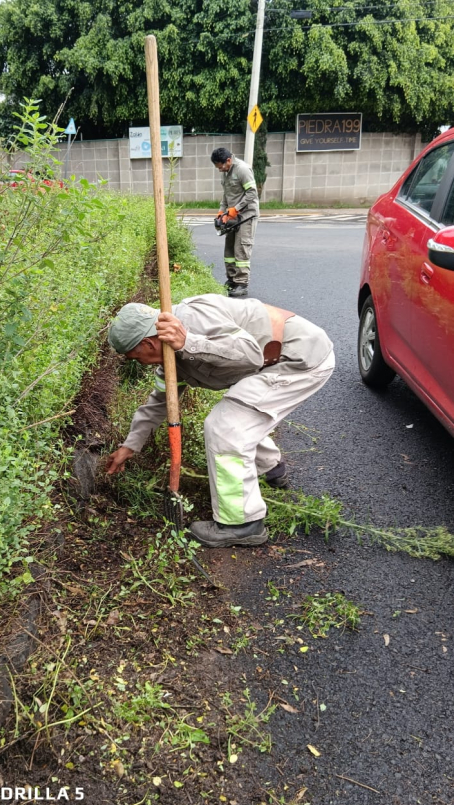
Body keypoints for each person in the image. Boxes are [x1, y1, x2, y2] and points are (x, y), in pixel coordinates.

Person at [105, 295, 334, 548]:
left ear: (148, 343)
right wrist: (130, 445)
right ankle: (272, 469)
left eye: (136, 358)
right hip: (269, 365)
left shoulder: (192, 320)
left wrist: (188, 343)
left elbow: (250, 354)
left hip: (298, 359)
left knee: (226, 426)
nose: (141, 363)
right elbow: (159, 403)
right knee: (240, 415)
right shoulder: (170, 361)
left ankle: (242, 524)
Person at [211, 147, 259, 299]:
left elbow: (252, 193)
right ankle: (232, 279)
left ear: (228, 161)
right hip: (232, 215)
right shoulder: (226, 173)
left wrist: (236, 209)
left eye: (221, 166)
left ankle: (241, 283)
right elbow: (226, 195)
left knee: (241, 248)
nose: (220, 170)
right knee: (229, 249)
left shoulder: (242, 170)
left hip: (246, 215)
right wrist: (222, 211)